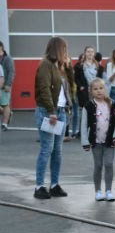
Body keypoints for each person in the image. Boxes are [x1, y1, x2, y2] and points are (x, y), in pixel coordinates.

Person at [33, 37, 73, 199]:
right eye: (64, 49)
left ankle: (54, 184)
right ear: (58, 49)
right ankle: (39, 186)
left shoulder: (60, 67)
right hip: (49, 112)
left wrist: (69, 68)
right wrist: (51, 111)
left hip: (61, 111)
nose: (66, 52)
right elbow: (44, 89)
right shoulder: (45, 65)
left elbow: (70, 85)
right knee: (46, 149)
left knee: (58, 151)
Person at [81, 78, 115, 201]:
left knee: (109, 164)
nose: (99, 91)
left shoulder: (113, 104)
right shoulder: (88, 106)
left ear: (105, 89)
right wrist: (85, 142)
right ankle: (98, 191)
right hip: (95, 141)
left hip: (109, 141)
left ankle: (108, 191)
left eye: (101, 88)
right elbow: (84, 125)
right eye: (95, 89)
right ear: (91, 91)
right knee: (98, 165)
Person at [0, 41, 15, 131]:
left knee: (5, 104)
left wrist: (8, 84)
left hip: (5, 86)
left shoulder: (7, 59)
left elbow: (11, 72)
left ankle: (4, 124)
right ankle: (8, 114)